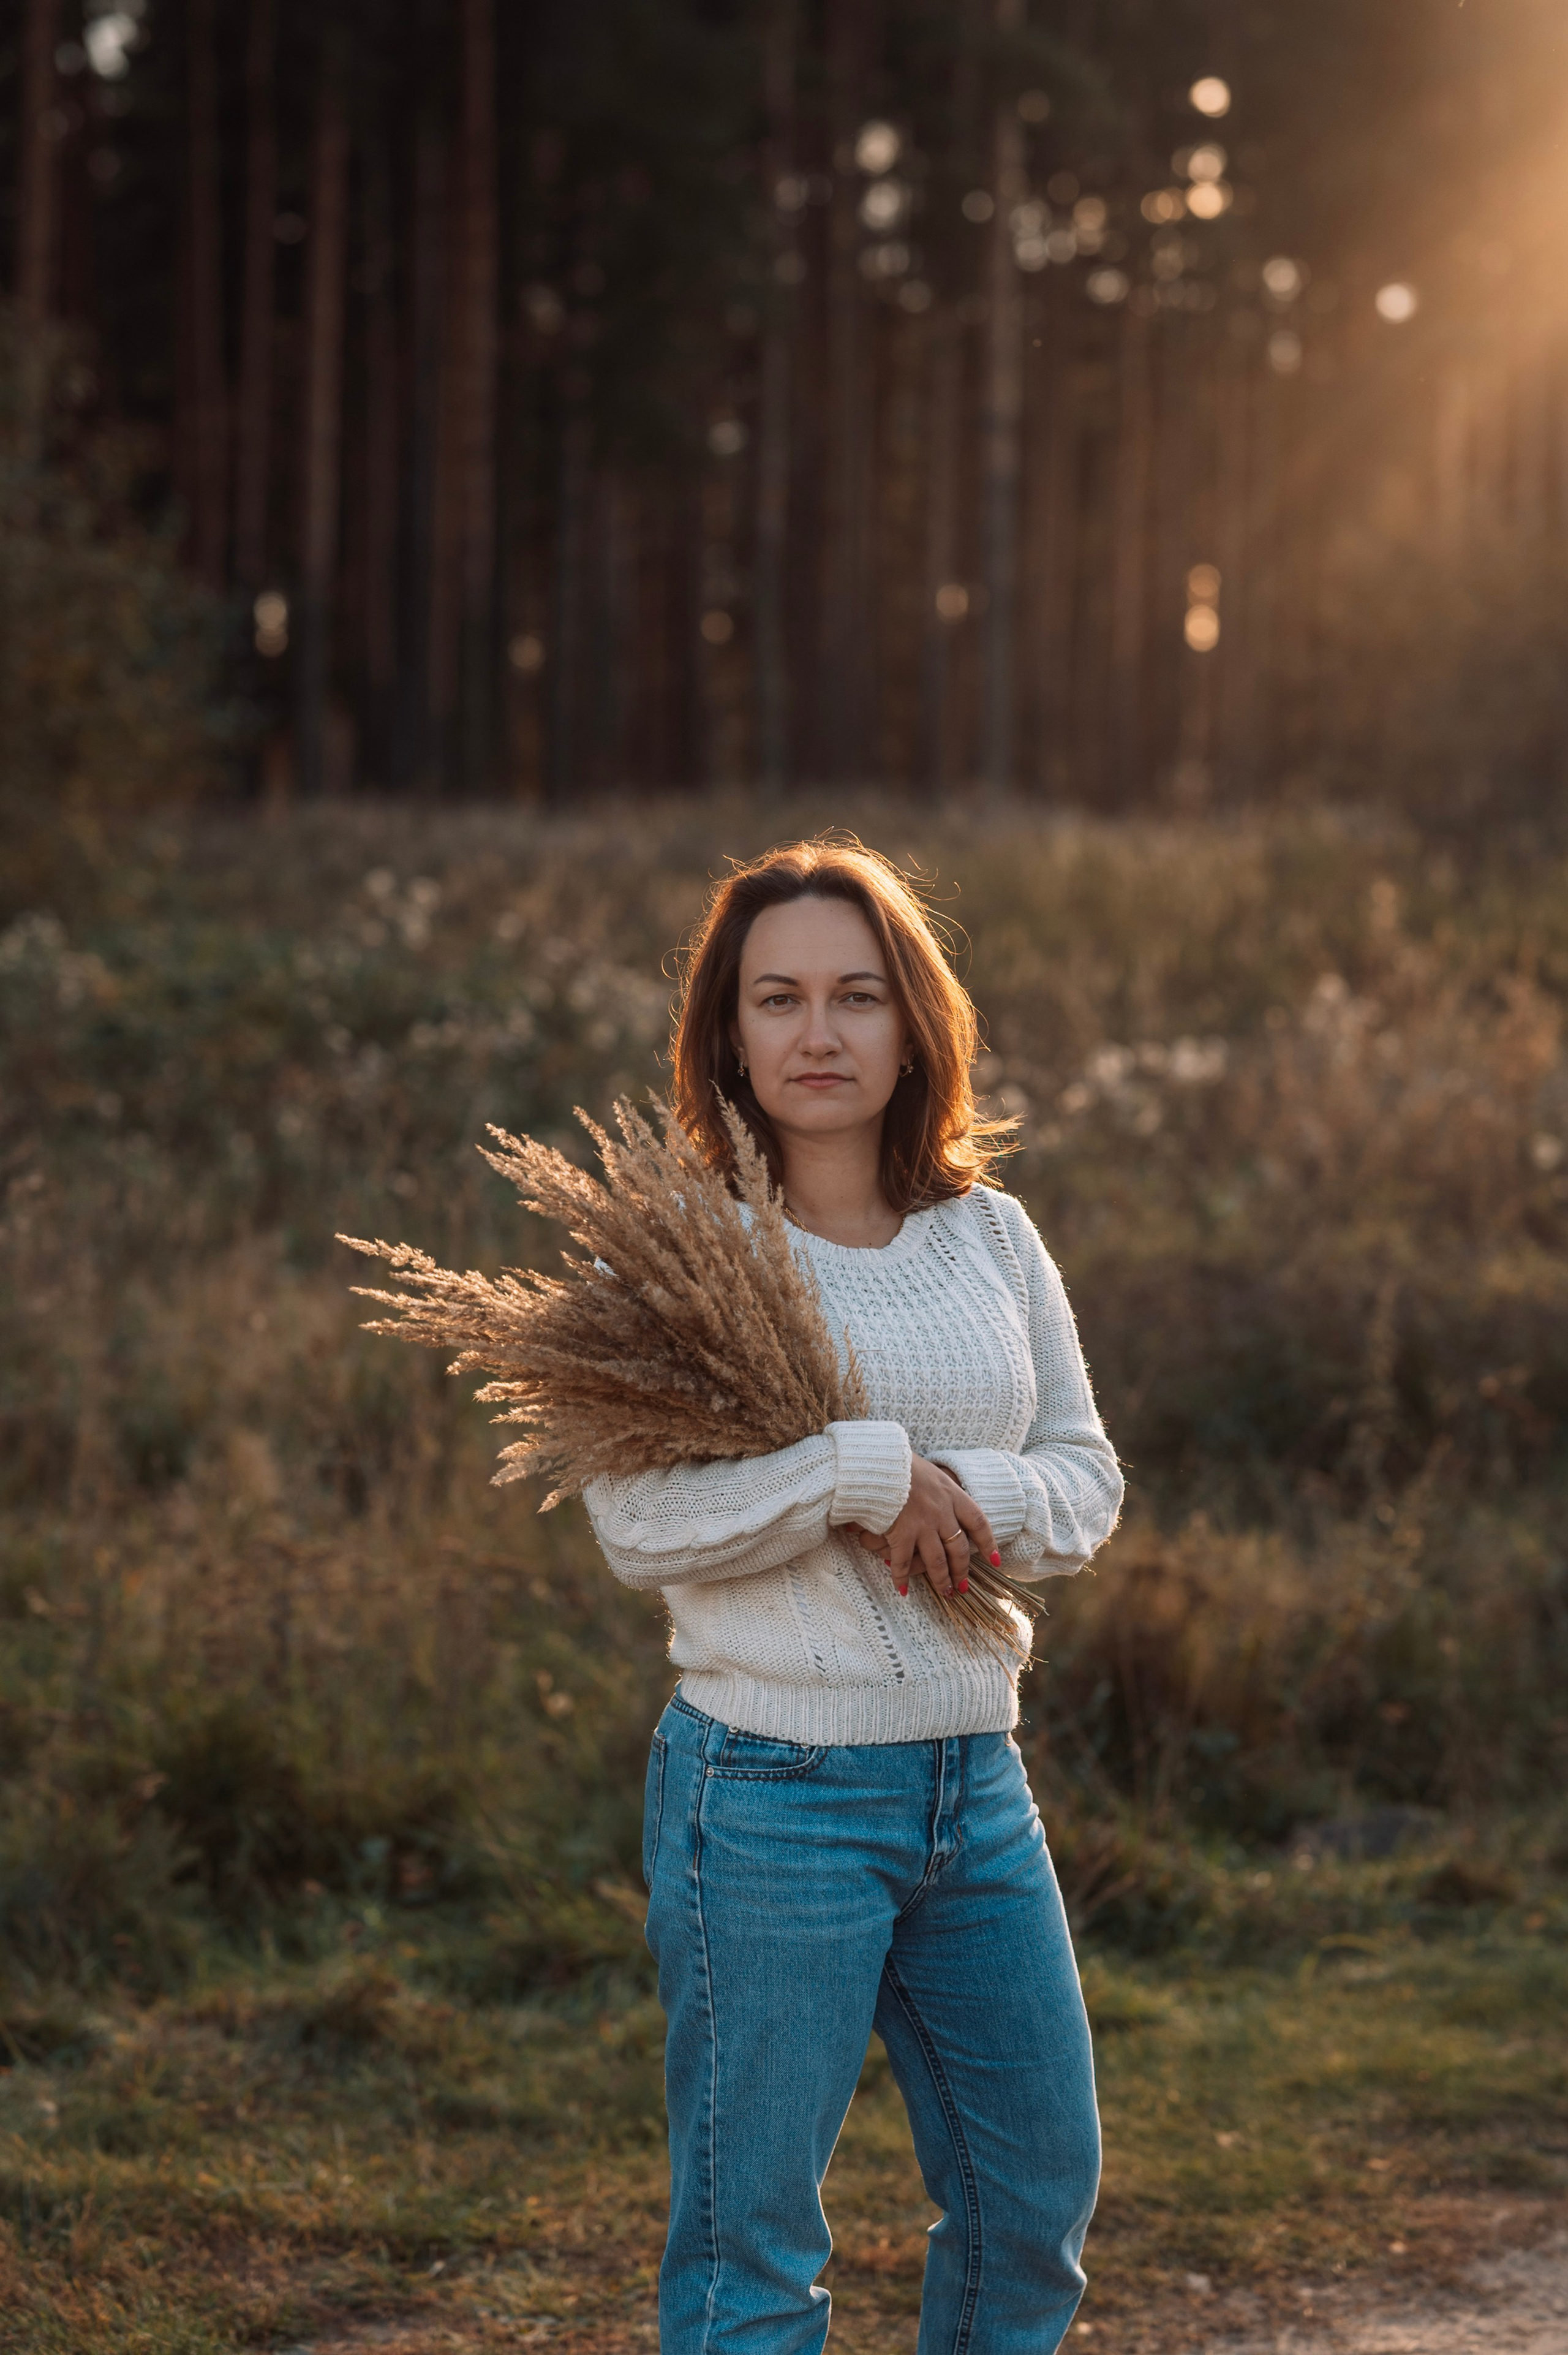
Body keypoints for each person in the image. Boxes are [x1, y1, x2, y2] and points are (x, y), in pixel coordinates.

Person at [584, 837, 1123, 2355]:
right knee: (750, 2251)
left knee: (1031, 2205)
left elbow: (1084, 1472)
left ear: (912, 1026)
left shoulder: (991, 1237)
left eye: (854, 995)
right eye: (777, 998)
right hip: (768, 1790)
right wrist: (854, 1475)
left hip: (974, 1775)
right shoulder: (686, 1251)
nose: (817, 1034)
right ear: (730, 1033)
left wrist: (974, 1501)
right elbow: (638, 1521)